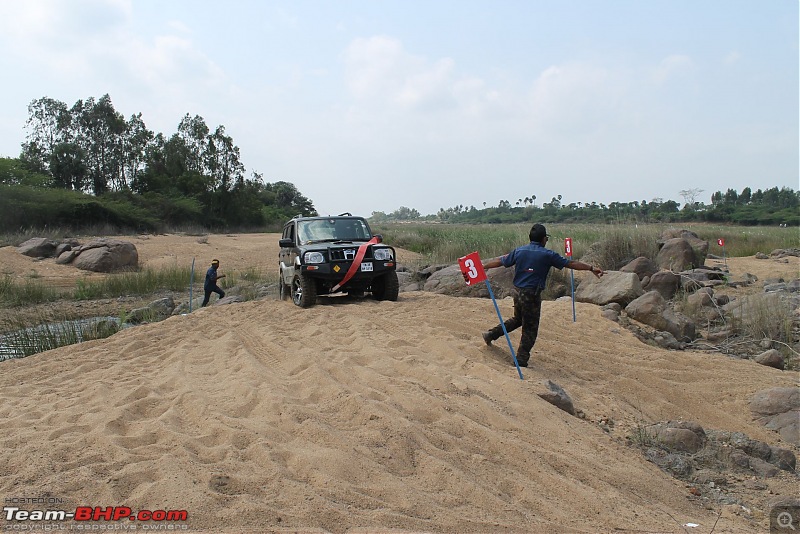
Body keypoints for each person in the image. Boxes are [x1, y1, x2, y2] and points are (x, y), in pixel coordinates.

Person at [480, 223, 605, 367]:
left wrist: (484, 265)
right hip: (531, 294)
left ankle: (491, 334)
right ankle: (521, 360)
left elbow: (500, 261)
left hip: (518, 292)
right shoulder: (548, 255)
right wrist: (590, 268)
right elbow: (570, 263)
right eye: (547, 238)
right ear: (544, 239)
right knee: (530, 328)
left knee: (518, 319)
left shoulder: (519, 251)